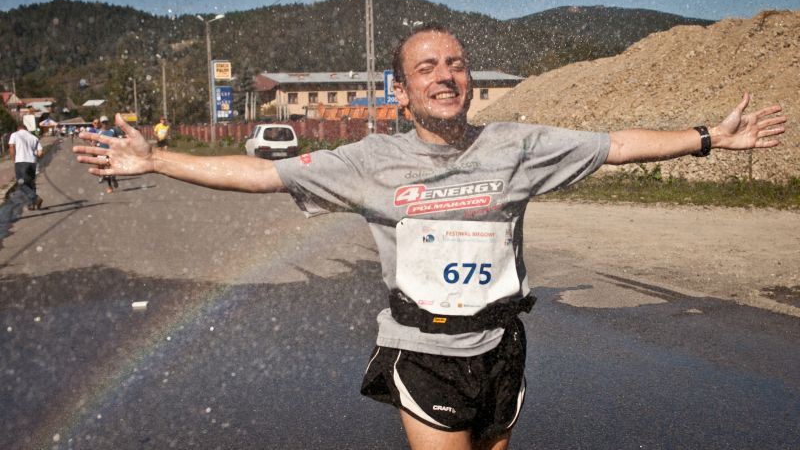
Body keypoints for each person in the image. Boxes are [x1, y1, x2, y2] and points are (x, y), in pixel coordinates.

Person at [74, 25, 787, 450]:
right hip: (425, 353)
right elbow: (263, 174)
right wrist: (156, 160)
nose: (445, 77)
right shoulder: (369, 161)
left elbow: (616, 145)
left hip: (502, 344)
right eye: (427, 68)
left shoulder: (517, 145)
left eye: (456, 64)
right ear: (401, 91)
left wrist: (708, 138)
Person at [9, 121, 44, 210]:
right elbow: (40, 153)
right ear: (26, 129)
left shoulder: (15, 135)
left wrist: (13, 159)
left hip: (21, 162)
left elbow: (11, 147)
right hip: (32, 162)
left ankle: (35, 198)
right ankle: (31, 205)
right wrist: (34, 154)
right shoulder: (34, 137)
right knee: (30, 183)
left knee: (21, 183)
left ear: (18, 129)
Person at [96, 115, 119, 194]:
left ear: (108, 122)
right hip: (102, 152)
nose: (105, 124)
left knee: (110, 169)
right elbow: (94, 141)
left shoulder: (112, 131)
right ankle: (109, 184)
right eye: (103, 122)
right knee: (104, 170)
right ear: (101, 123)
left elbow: (117, 140)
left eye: (106, 122)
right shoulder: (98, 132)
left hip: (111, 153)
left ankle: (112, 181)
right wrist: (94, 144)